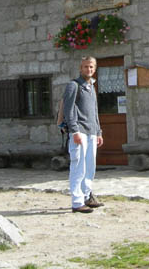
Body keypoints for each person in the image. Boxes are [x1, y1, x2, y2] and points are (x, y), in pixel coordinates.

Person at [63, 56, 104, 213]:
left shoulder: (92, 87)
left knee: (89, 167)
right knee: (78, 167)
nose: (89, 69)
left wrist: (98, 132)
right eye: (86, 67)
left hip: (92, 133)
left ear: (95, 69)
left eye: (92, 67)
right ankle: (77, 202)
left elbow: (94, 112)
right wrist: (74, 131)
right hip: (79, 132)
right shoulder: (73, 86)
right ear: (81, 68)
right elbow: (68, 109)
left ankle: (87, 196)